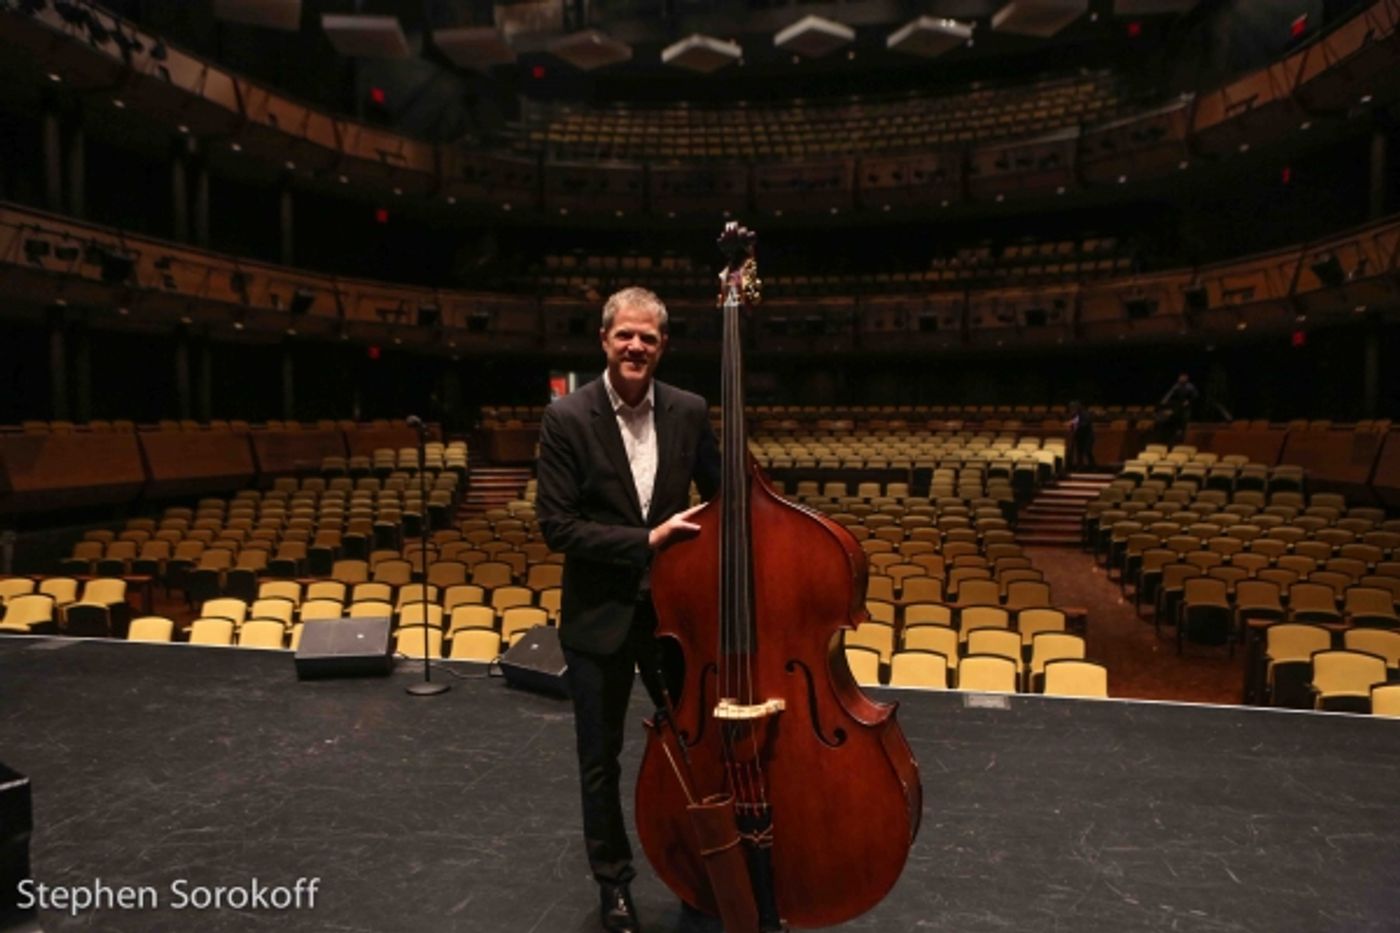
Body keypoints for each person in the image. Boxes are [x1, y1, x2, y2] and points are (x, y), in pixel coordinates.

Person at [535, 286, 721, 933]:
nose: (635, 345)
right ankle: (613, 882)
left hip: (678, 619)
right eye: (625, 335)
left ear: (662, 345)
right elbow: (557, 526)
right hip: (598, 620)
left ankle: (699, 871)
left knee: (693, 753)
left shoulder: (691, 411)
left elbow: (724, 499)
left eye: (648, 336)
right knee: (600, 760)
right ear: (605, 341)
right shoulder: (566, 418)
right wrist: (647, 540)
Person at [1160, 372, 1199, 444]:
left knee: (1185, 419)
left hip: (1187, 407)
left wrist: (1188, 401)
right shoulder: (1176, 386)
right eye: (1180, 377)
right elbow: (1170, 394)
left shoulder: (1190, 386)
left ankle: (1184, 435)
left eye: (1183, 377)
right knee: (1175, 418)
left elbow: (1195, 396)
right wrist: (1164, 401)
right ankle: (1176, 434)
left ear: (1186, 378)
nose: (1181, 378)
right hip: (1178, 406)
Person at [1067, 401, 1095, 469]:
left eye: (1073, 408)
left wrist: (1074, 424)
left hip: (1088, 437)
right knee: (1079, 453)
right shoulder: (1075, 415)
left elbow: (1085, 424)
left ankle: (1093, 467)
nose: (1072, 410)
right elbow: (1075, 422)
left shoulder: (1085, 414)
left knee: (1087, 451)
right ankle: (1080, 467)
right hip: (1079, 437)